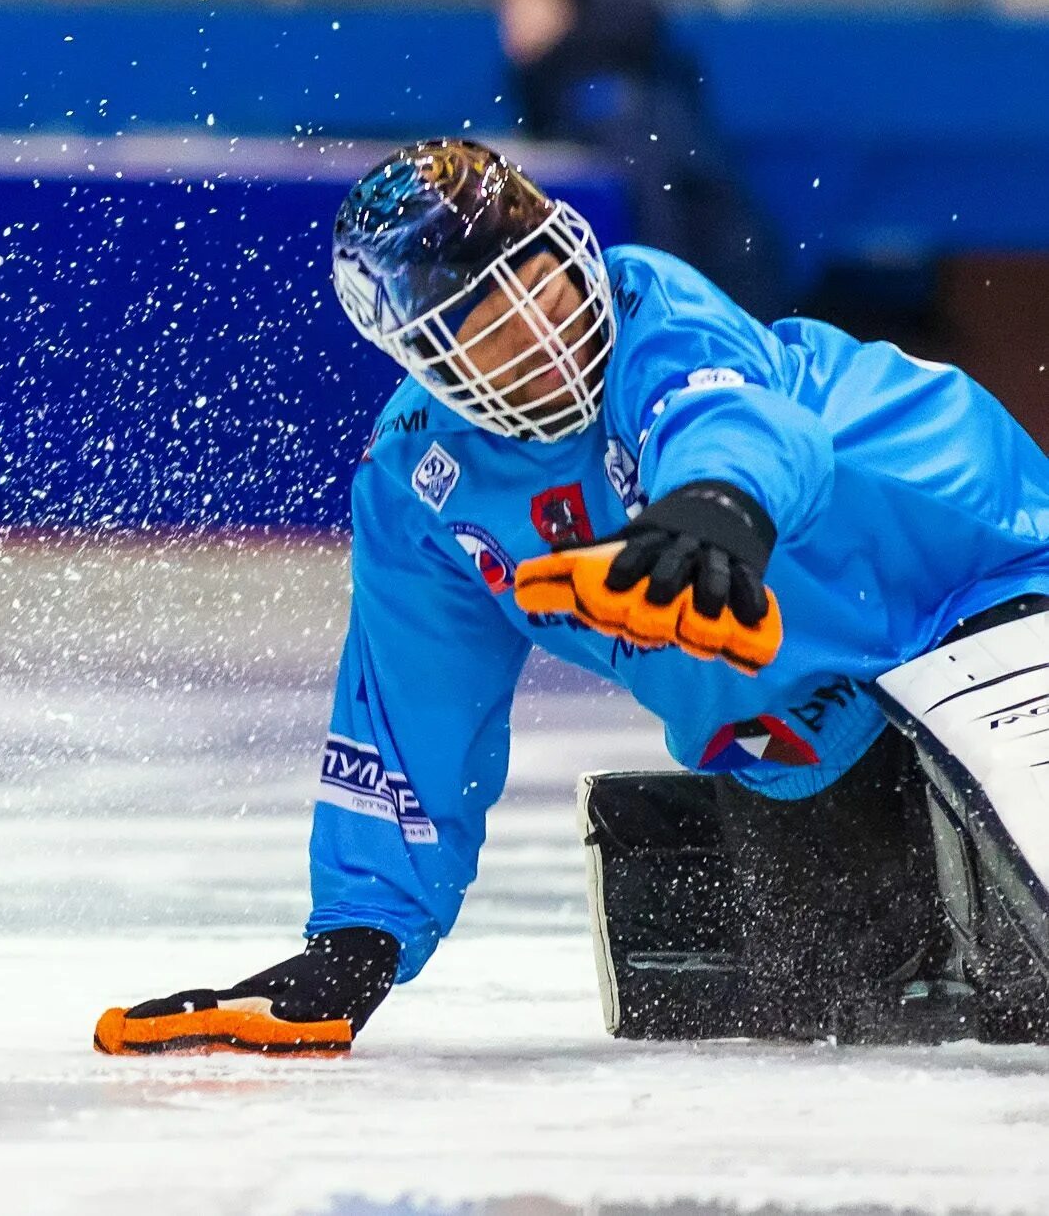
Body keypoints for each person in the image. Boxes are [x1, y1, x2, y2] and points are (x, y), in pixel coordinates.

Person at [94, 139, 1049, 1057]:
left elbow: (730, 417)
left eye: (540, 276)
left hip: (982, 574)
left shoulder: (653, 304)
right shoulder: (417, 489)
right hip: (793, 717)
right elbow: (411, 712)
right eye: (489, 322)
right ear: (429, 363)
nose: (545, 331)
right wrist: (355, 947)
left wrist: (713, 512)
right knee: (833, 1002)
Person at [499, 0, 779, 319]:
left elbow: (657, 203)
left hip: (717, 290)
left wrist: (661, 310)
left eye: (529, 5)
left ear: (566, 7)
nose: (515, 22)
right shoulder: (566, 88)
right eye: (508, 10)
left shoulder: (605, 93)